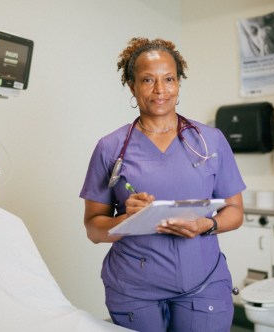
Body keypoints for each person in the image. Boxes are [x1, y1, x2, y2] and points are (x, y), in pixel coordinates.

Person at [79, 37, 246, 332]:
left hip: (203, 282)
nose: (160, 90)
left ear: (178, 83)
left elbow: (234, 212)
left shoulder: (210, 140)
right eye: (148, 80)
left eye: (168, 79)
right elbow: (93, 229)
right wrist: (126, 220)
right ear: (132, 86)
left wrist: (206, 225)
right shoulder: (110, 148)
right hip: (134, 291)